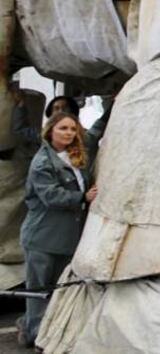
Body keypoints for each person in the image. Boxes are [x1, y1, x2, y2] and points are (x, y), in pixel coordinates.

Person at [17, 112, 101, 348]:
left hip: (66, 238)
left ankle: (45, 331)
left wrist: (110, 110)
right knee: (38, 291)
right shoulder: (43, 162)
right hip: (42, 237)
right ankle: (34, 334)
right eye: (63, 128)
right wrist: (82, 197)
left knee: (57, 291)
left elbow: (94, 135)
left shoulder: (75, 155)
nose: (68, 133)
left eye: (72, 129)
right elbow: (51, 196)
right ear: (50, 130)